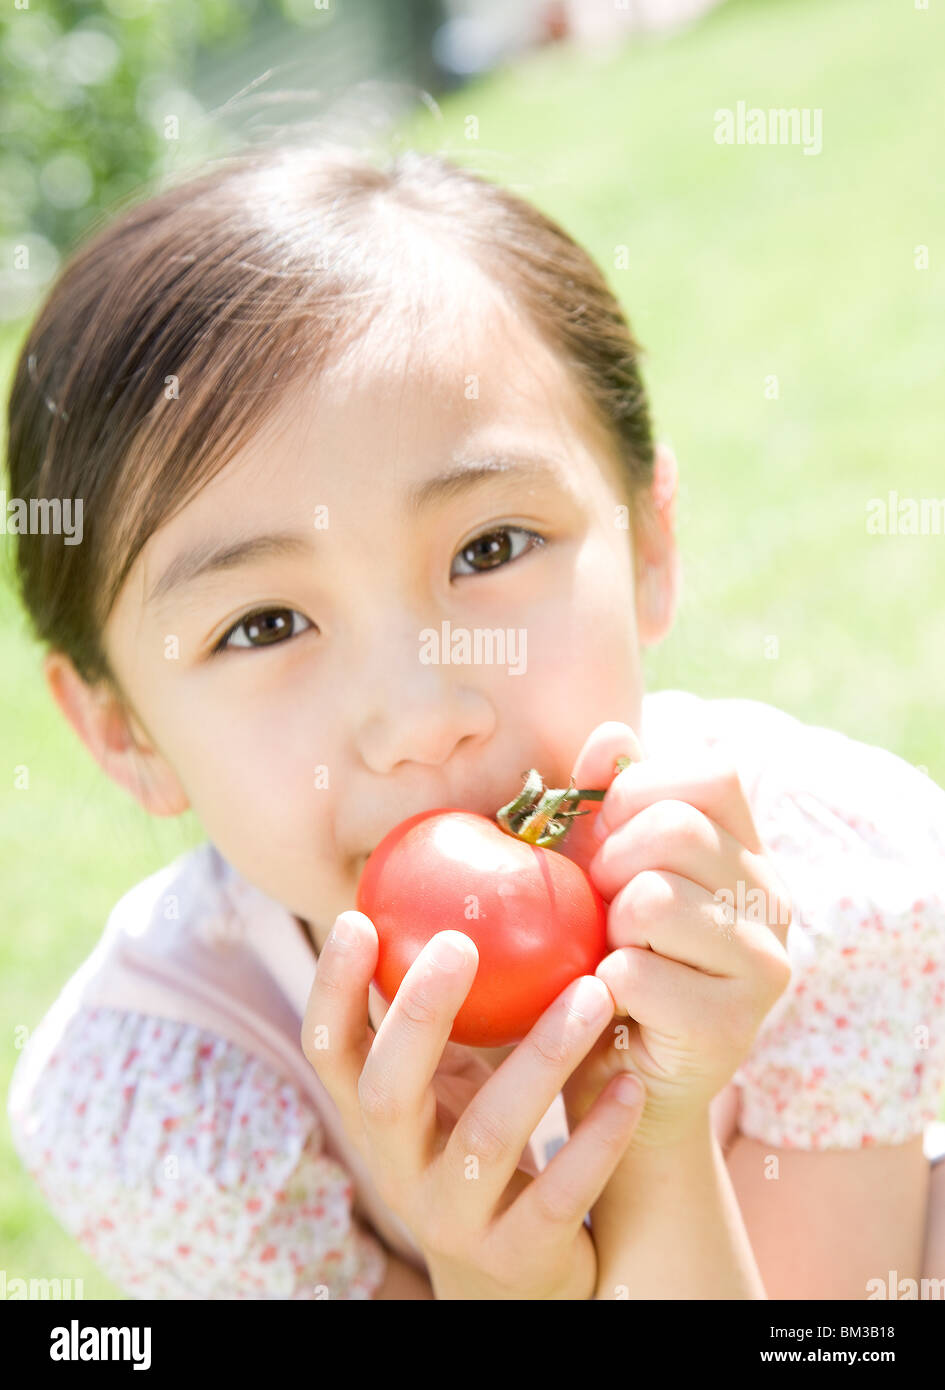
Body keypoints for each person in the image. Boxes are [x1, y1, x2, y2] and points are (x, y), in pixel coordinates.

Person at [6, 141, 945, 1299]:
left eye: (488, 548)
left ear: (651, 540)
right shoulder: (171, 1104)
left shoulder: (820, 897)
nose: (418, 716)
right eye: (261, 624)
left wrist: (653, 1125)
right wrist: (493, 1278)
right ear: (124, 734)